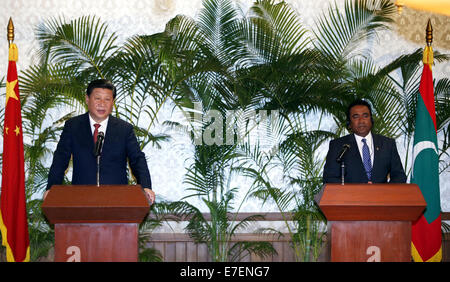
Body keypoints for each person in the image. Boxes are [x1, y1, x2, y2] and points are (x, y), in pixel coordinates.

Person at [44, 79, 155, 204]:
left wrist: (145, 186)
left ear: (112, 102)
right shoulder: (73, 126)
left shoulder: (124, 129)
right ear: (87, 99)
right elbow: (60, 159)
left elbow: (137, 159)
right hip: (81, 198)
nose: (102, 104)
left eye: (107, 99)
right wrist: (51, 188)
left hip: (117, 199)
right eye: (97, 98)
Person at [323, 99, 407, 184]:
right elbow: (329, 178)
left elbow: (399, 176)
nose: (361, 121)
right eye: (356, 117)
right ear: (349, 122)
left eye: (365, 116)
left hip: (382, 196)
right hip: (350, 196)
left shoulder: (387, 144)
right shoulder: (338, 145)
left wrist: (385, 192)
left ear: (371, 119)